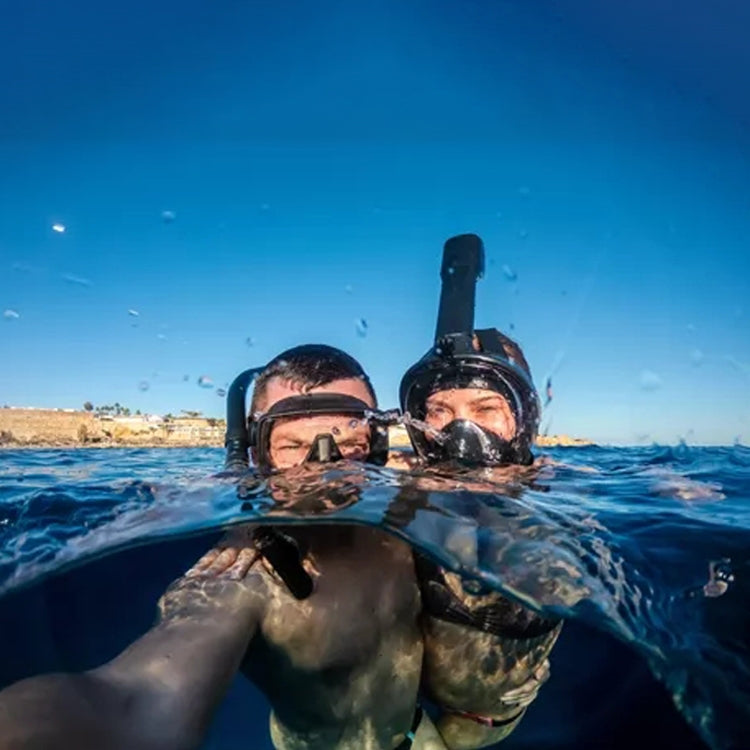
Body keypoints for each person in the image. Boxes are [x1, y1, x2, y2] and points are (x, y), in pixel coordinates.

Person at [0, 345, 446, 750]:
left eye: (351, 444)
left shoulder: (406, 508)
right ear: (256, 454)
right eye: (293, 446)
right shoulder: (243, 575)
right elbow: (133, 699)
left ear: (378, 446)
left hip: (420, 733)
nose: (325, 473)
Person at [397, 234, 562, 750]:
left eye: (486, 410)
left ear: (524, 419)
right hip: (395, 704)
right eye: (439, 412)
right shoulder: (400, 483)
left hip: (484, 716)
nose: (460, 433)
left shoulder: (559, 489)